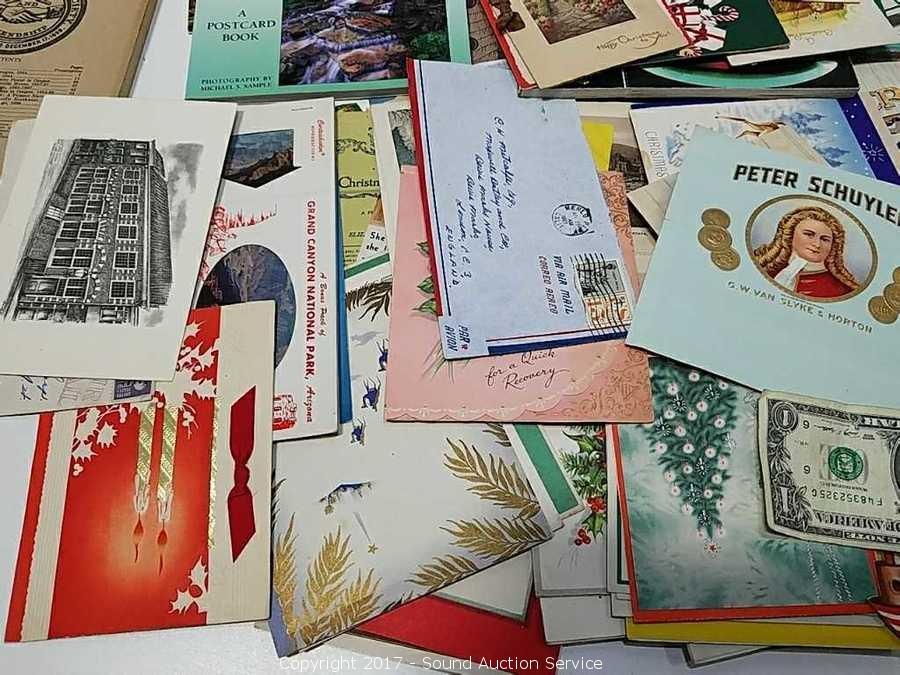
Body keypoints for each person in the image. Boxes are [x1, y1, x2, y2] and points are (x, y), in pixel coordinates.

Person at [752, 205, 860, 300]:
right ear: (790, 234)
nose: (817, 244)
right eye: (809, 234)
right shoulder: (765, 269)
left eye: (824, 239)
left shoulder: (842, 290)